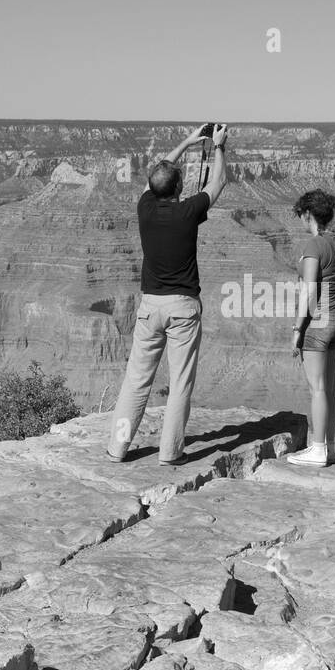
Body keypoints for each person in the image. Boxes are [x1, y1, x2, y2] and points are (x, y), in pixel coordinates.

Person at [106, 123, 228, 465]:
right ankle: (170, 453)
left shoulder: (144, 208)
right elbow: (218, 184)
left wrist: (189, 142)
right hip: (183, 308)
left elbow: (154, 177)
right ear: (179, 188)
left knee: (136, 382)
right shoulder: (188, 212)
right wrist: (218, 147)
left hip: (149, 307)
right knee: (180, 383)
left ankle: (117, 448)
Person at [287, 189, 335, 467]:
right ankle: (331, 447)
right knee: (330, 387)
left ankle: (317, 449)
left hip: (319, 322)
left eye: (301, 215)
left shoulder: (314, 246)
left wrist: (298, 329)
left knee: (317, 388)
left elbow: (309, 292)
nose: (300, 220)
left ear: (309, 214)